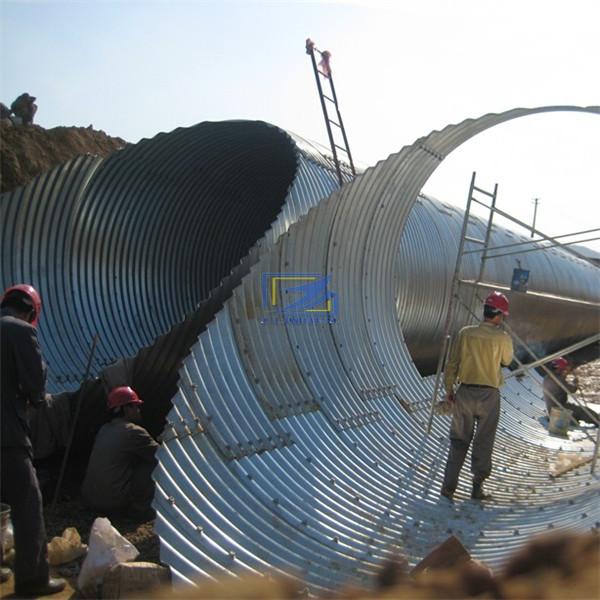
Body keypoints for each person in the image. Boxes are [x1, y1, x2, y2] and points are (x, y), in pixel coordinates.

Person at [0, 284, 66, 596]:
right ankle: (33, 579)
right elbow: (35, 390)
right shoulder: (20, 332)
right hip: (7, 436)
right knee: (27, 505)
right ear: (31, 312)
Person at [440, 291, 514, 502]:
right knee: (483, 442)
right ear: (498, 315)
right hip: (489, 396)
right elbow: (507, 361)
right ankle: (477, 488)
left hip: (464, 393)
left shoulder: (465, 333)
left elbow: (452, 363)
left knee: (458, 441)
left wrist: (449, 391)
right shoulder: (503, 337)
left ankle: (448, 488)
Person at [82, 386, 158, 518]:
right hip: (114, 505)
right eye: (135, 406)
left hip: (91, 501)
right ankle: (141, 508)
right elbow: (163, 456)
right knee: (153, 464)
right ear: (126, 408)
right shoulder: (134, 432)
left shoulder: (104, 429)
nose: (138, 410)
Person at [543, 358, 598, 426]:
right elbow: (572, 389)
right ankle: (597, 420)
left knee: (575, 410)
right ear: (560, 369)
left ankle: (573, 420)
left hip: (552, 408)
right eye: (564, 370)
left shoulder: (548, 377)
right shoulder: (557, 379)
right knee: (583, 411)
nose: (565, 371)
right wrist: (575, 384)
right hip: (559, 408)